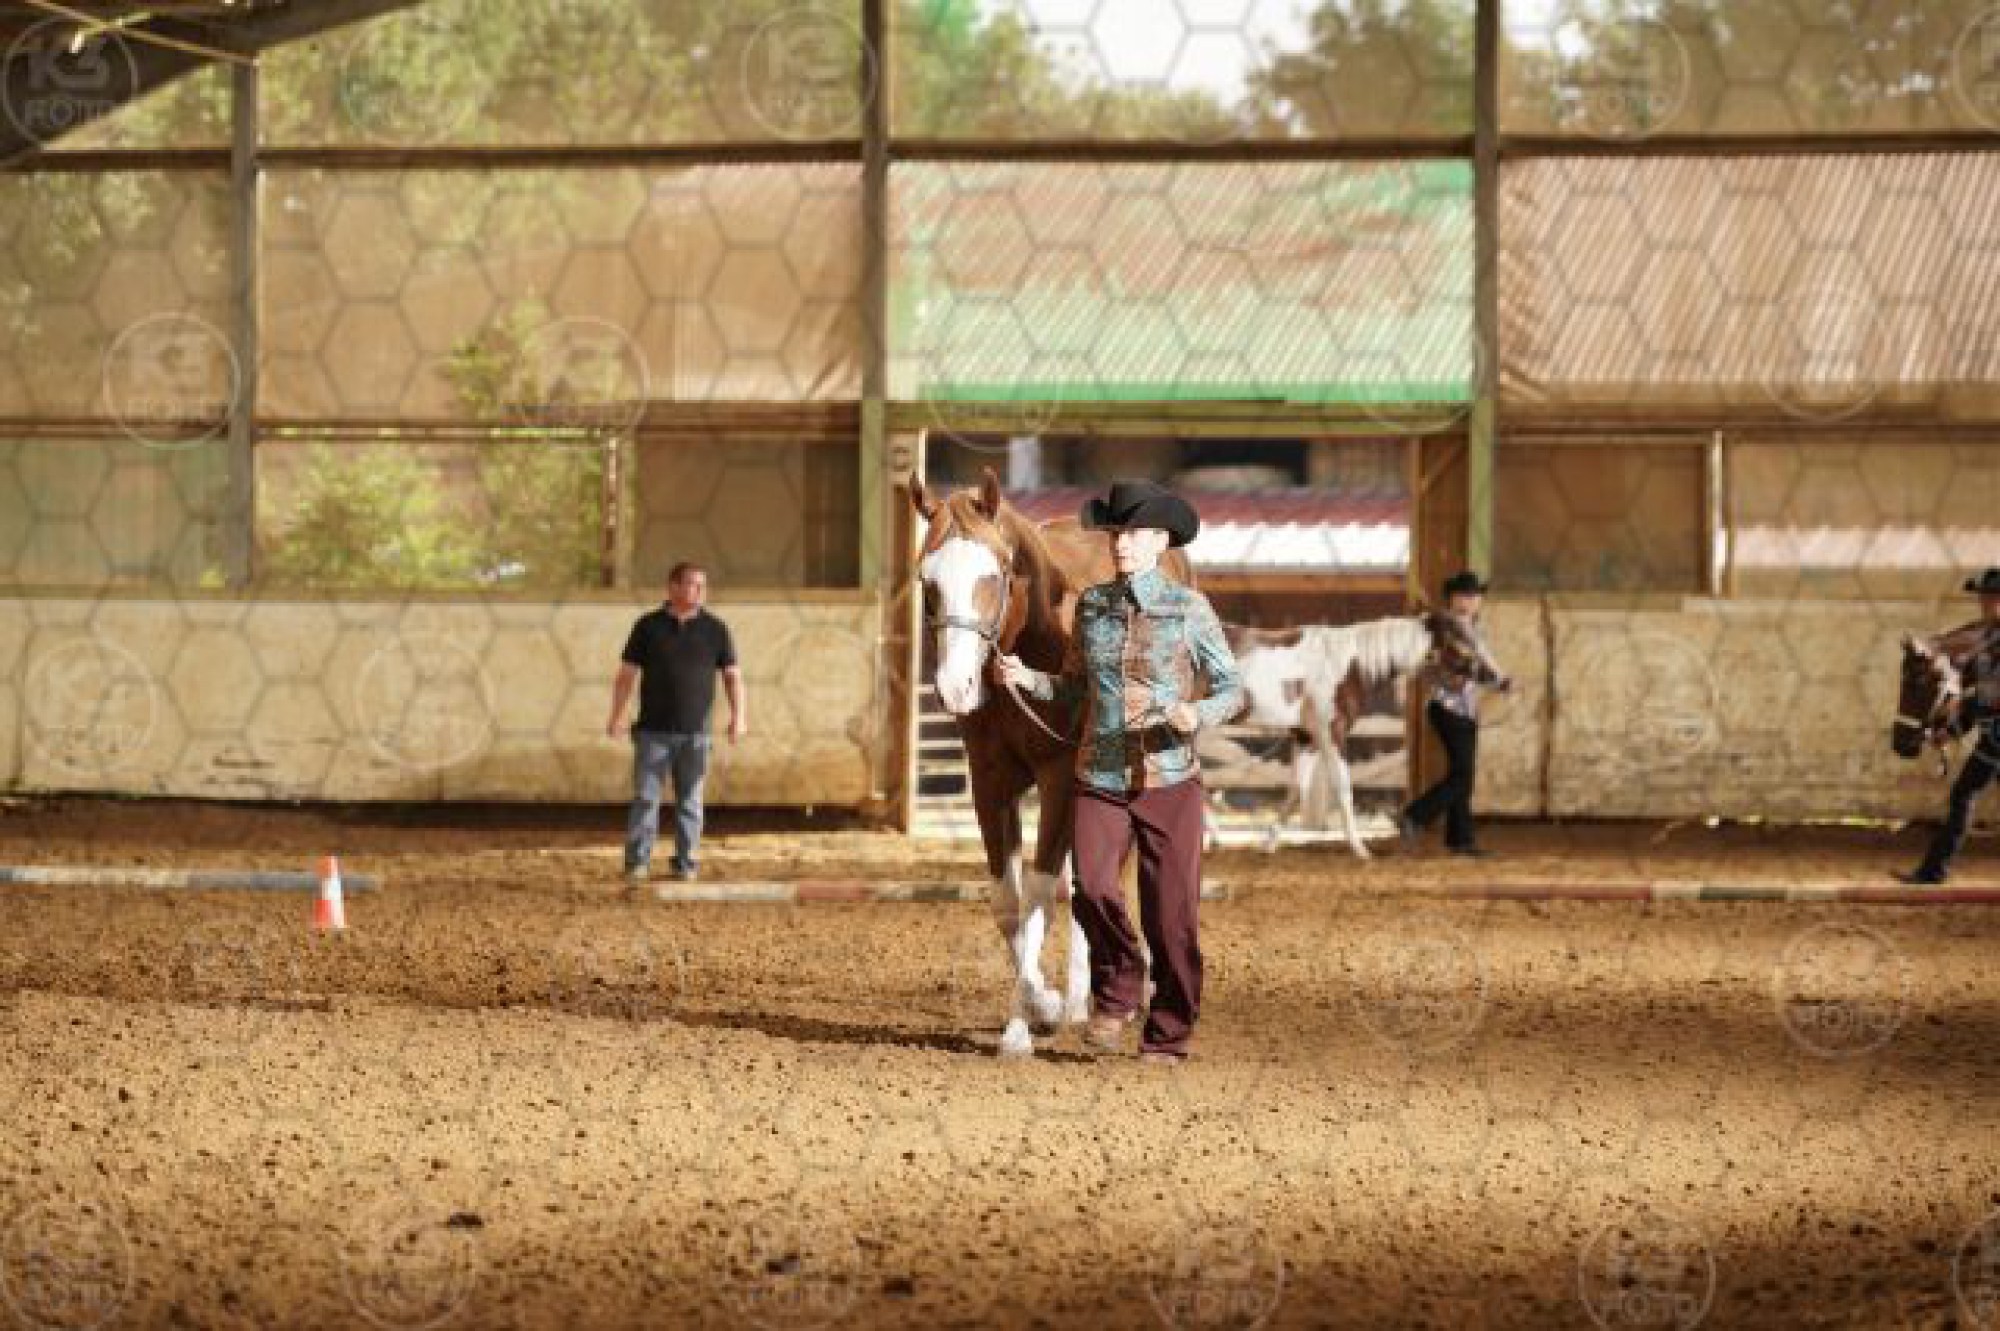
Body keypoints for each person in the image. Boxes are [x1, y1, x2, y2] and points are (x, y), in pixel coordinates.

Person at [997, 480, 1243, 1065]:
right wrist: (1027, 678)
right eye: (1115, 534)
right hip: (1100, 776)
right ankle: (1117, 990)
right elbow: (1075, 687)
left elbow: (1231, 689)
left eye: (1132, 534)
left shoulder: (1190, 609)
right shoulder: (1093, 607)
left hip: (1170, 780)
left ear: (1160, 540)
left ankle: (1169, 1032)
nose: (1120, 544)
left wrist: (1196, 713)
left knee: (1172, 916)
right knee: (1094, 889)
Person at [606, 562, 746, 887]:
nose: (699, 591)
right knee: (646, 798)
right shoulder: (647, 627)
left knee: (691, 802)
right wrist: (616, 715)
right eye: (692, 584)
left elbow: (733, 677)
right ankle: (637, 864)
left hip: (696, 734)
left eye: (702, 585)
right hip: (652, 732)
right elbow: (626, 676)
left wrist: (739, 717)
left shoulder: (716, 629)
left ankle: (686, 864)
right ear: (672, 587)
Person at [1899, 568, 2000, 886]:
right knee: (1964, 794)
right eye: (1985, 597)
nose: (1987, 603)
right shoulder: (1984, 641)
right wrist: (1951, 729)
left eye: (1993, 597)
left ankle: (1933, 871)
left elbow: (1988, 698)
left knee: (1964, 793)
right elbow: (1978, 698)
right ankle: (1933, 871)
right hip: (1994, 737)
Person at [1400, 570, 1510, 858]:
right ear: (1451, 599)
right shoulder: (1442, 629)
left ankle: (1460, 840)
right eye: (1463, 596)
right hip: (1448, 708)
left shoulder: (1469, 630)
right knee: (1462, 775)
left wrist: (1498, 679)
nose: (1469, 601)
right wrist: (1491, 678)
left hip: (1464, 711)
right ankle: (1415, 815)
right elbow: (1428, 669)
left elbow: (1480, 666)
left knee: (1463, 775)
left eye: (1473, 596)